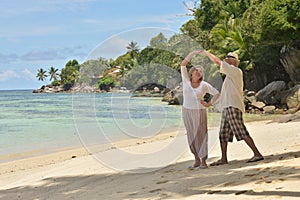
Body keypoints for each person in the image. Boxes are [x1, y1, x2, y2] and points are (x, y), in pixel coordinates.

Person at [199, 50, 264, 165]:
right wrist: (211, 104)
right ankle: (224, 159)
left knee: (240, 130)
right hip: (227, 107)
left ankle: (257, 154)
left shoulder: (236, 71)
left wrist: (207, 53)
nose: (227, 62)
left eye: (229, 60)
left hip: (233, 106)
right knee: (223, 134)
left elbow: (218, 62)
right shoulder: (230, 75)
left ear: (234, 62)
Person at [181, 50, 220, 169]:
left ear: (201, 75)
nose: (198, 72)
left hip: (200, 111)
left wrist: (209, 103)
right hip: (186, 110)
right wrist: (192, 54)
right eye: (196, 71)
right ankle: (196, 160)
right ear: (191, 73)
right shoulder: (186, 81)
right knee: (191, 135)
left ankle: (203, 161)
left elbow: (217, 93)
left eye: (200, 72)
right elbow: (183, 64)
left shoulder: (204, 85)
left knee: (201, 135)